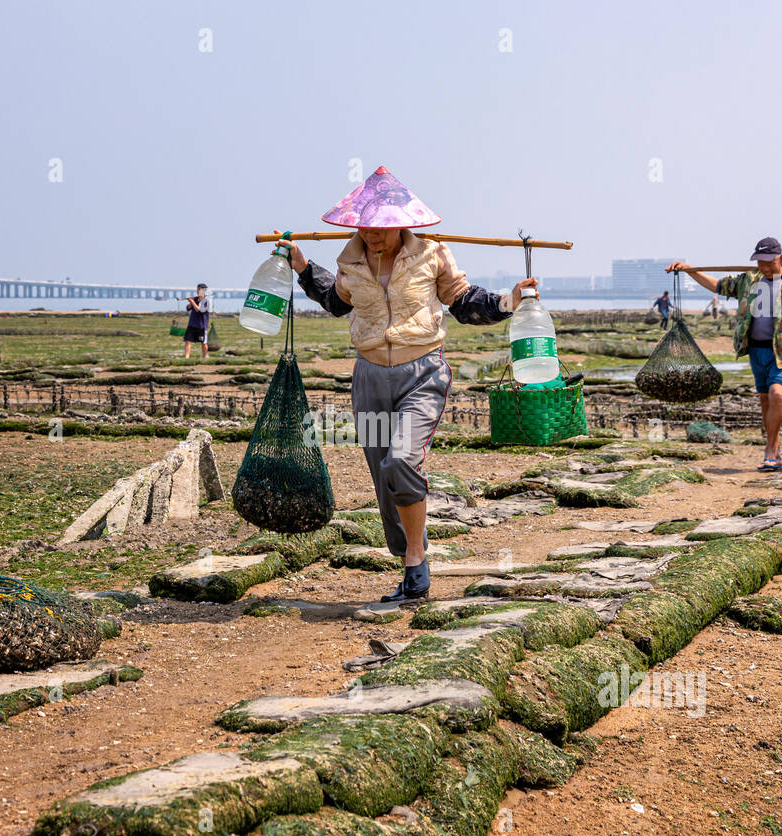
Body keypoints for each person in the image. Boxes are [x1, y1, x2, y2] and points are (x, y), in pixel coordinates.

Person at [276, 166, 536, 602]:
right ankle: (407, 564)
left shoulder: (432, 253)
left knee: (400, 460)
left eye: (381, 227)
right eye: (365, 226)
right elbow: (337, 304)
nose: (372, 235)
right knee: (383, 474)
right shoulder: (349, 261)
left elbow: (464, 301)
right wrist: (303, 267)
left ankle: (417, 558)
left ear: (403, 223)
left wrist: (509, 301)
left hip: (423, 374)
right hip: (370, 377)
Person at [669, 237, 782, 471]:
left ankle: (771, 450)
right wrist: (688, 270)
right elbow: (717, 286)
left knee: (777, 394)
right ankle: (773, 449)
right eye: (760, 263)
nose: (764, 267)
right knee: (765, 399)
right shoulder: (748, 280)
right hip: (756, 349)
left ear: (781, 259)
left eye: (769, 262)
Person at [183, 283, 212, 359]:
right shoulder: (195, 299)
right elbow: (188, 308)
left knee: (203, 343)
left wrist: (192, 302)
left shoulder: (206, 301)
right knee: (187, 341)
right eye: (197, 289)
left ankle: (205, 356)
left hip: (201, 326)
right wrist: (191, 302)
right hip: (192, 324)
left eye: (199, 289)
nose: (198, 291)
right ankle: (187, 357)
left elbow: (199, 310)